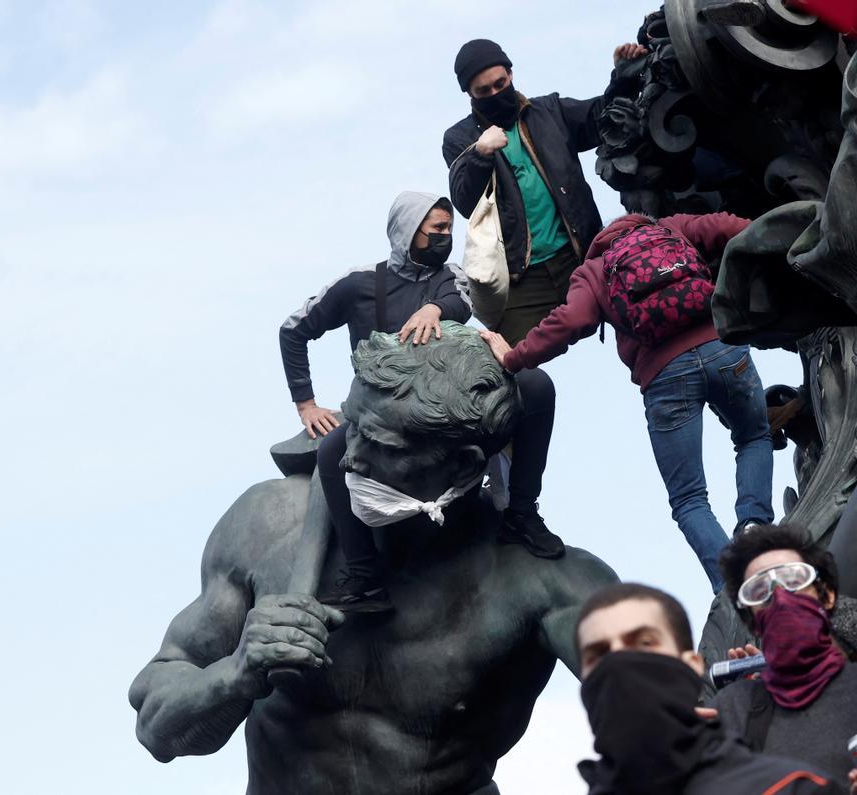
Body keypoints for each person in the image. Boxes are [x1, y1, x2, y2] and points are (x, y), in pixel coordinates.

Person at [130, 324, 620, 795]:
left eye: (379, 444)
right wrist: (235, 673)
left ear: (463, 463)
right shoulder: (268, 526)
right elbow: (156, 725)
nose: (347, 458)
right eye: (352, 427)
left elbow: (668, 726)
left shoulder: (545, 585)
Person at [278, 192, 560, 606]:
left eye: (449, 228)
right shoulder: (359, 284)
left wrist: (433, 309)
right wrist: (306, 403)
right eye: (437, 230)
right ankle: (363, 574)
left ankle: (521, 512)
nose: (446, 236)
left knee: (537, 387)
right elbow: (293, 330)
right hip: (384, 415)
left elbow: (461, 303)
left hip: (451, 408)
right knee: (331, 455)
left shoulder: (451, 276)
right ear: (407, 232)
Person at [480, 212, 774, 591]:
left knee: (688, 497)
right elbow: (737, 228)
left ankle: (735, 587)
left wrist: (514, 357)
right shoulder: (671, 227)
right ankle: (753, 525)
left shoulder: (595, 268)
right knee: (752, 437)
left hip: (665, 375)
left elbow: (571, 321)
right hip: (723, 349)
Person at [442, 38, 646, 343]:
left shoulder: (549, 111)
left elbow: (601, 118)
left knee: (648, 317)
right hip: (522, 277)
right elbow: (465, 202)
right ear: (469, 94)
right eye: (484, 91)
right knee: (508, 363)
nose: (495, 94)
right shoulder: (460, 138)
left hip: (581, 257)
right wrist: (479, 155)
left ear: (511, 75)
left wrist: (624, 76)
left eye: (500, 83)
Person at [575, 582, 844, 794]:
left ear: (693, 665)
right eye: (598, 655)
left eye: (644, 643)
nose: (619, 662)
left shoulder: (793, 789)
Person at [710, 524, 857, 785]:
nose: (780, 596)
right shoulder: (729, 710)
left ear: (827, 596)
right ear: (751, 619)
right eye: (760, 590)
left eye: (794, 580)